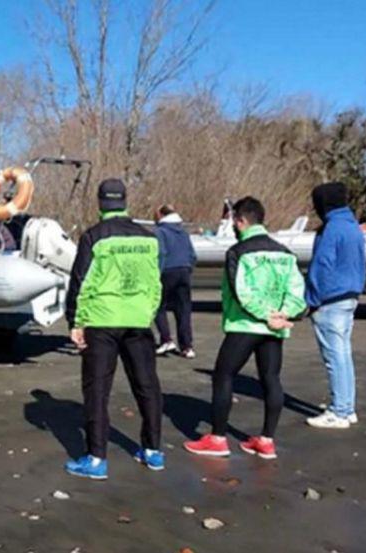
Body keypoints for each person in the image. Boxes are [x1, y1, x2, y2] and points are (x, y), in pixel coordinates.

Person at [184, 197, 307, 460]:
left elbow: (242, 292)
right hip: (275, 326)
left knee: (223, 375)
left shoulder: (238, 252)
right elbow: (297, 292)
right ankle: (266, 440)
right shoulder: (285, 253)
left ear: (241, 221)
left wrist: (265, 315)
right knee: (271, 379)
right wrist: (284, 313)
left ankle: (217, 439)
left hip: (246, 324)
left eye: (234, 222)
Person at [64, 179, 164, 480]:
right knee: (147, 386)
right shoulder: (149, 238)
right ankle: (153, 451)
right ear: (125, 201)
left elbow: (80, 281)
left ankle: (96, 458)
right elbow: (155, 283)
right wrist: (148, 311)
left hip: (102, 320)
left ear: (100, 203)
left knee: (97, 389)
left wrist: (75, 321)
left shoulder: (94, 236)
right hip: (137, 320)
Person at [304, 182, 366, 429]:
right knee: (343, 355)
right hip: (350, 296)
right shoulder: (352, 227)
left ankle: (339, 411)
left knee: (334, 356)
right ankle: (346, 406)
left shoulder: (332, 229)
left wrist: (310, 299)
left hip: (331, 299)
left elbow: (321, 265)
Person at [153, 204, 197, 358]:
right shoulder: (183, 233)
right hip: (184, 271)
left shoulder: (160, 232)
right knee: (183, 309)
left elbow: (161, 253)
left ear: (161, 215)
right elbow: (192, 254)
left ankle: (166, 339)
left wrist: (157, 273)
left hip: (168, 271)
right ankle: (187, 346)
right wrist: (188, 268)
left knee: (158, 305)